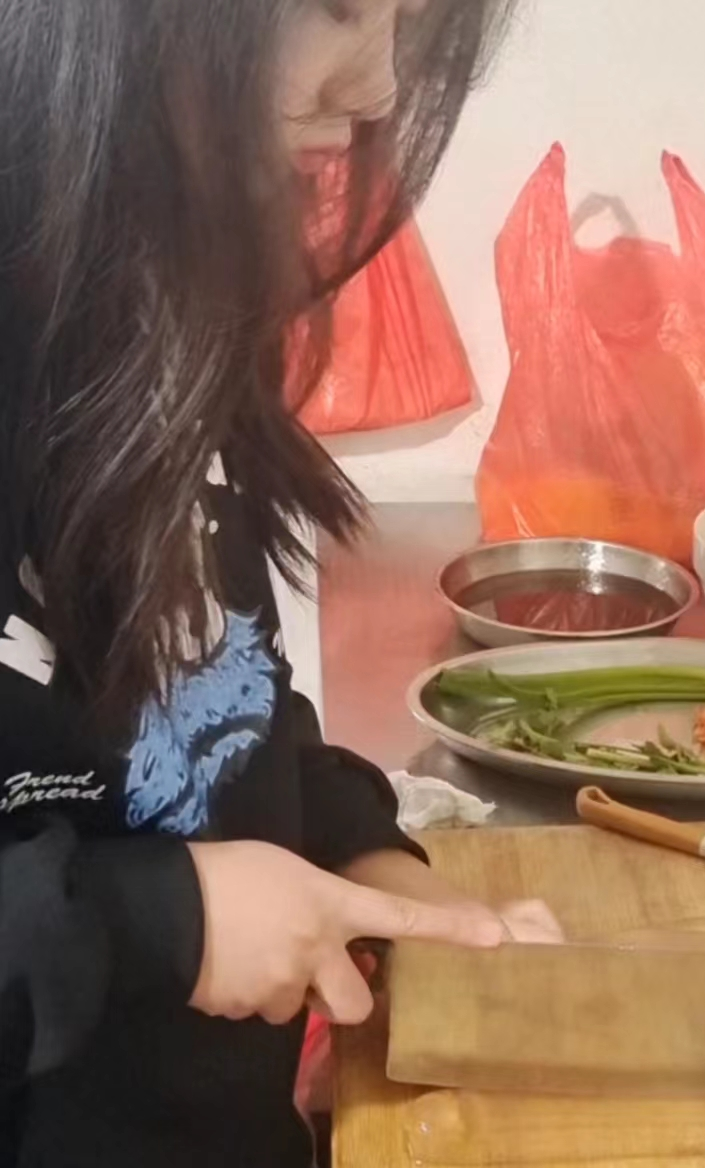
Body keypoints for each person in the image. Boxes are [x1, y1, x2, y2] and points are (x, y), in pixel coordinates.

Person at [0, 2, 559, 1166]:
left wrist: (358, 848)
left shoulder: (161, 296)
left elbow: (225, 690)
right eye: (339, 7)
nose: (379, 89)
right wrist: (163, 920)